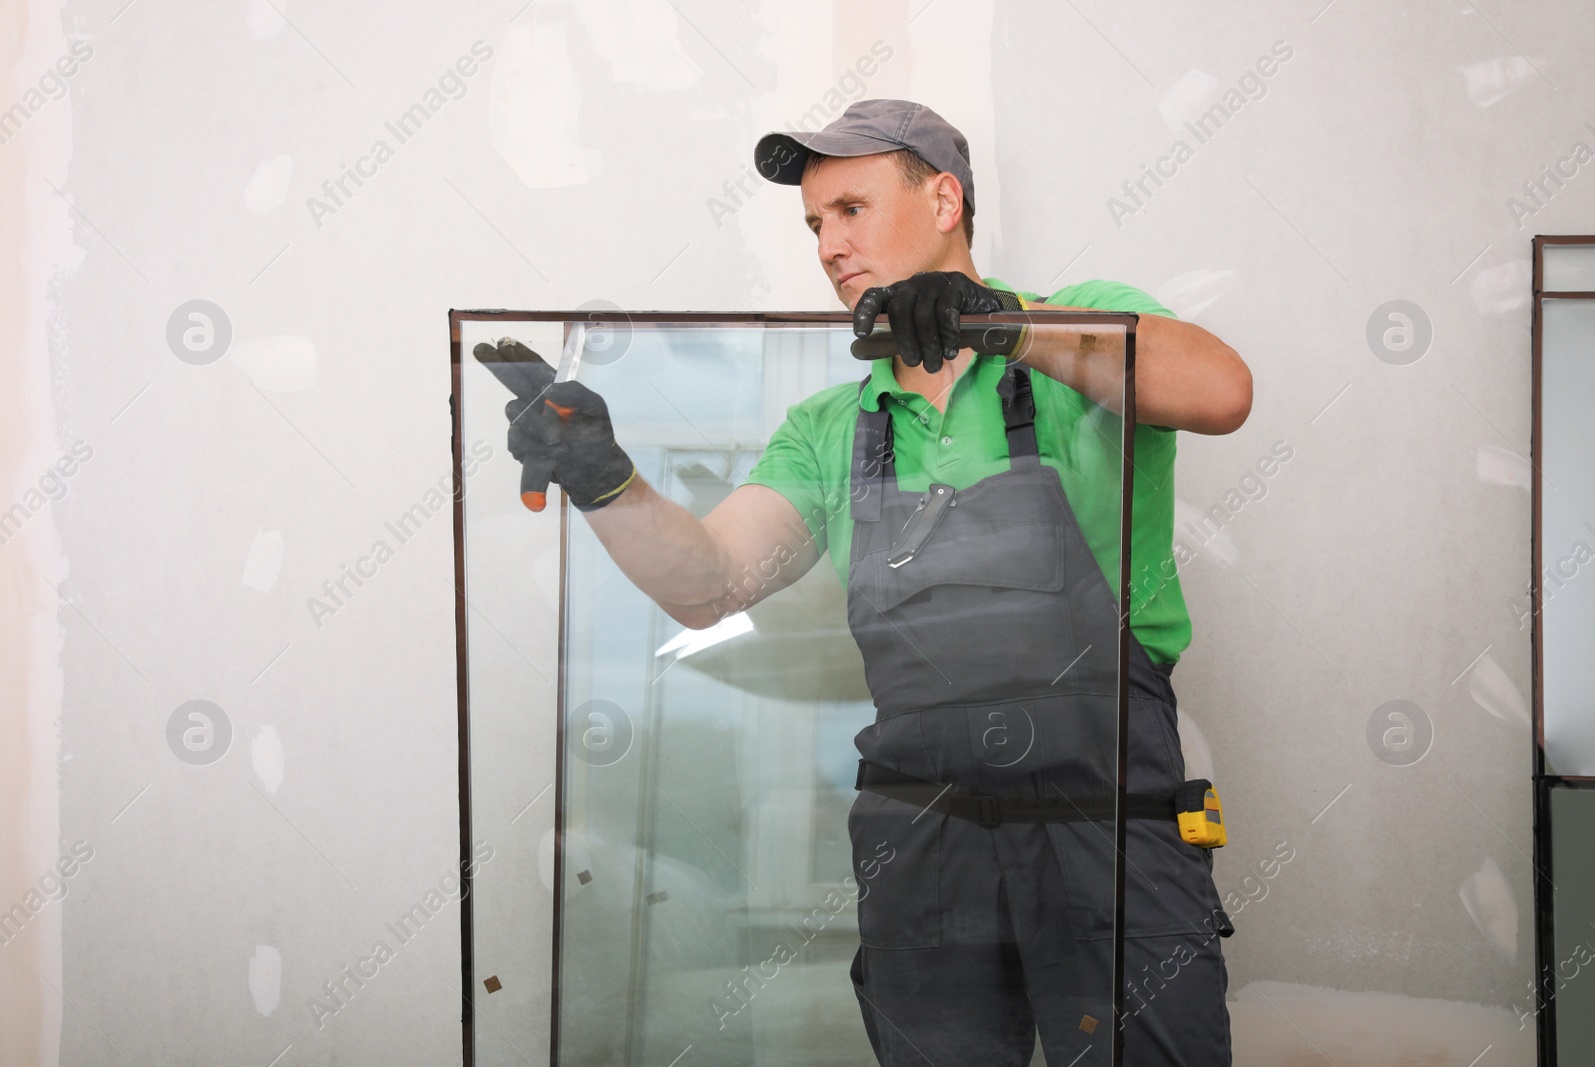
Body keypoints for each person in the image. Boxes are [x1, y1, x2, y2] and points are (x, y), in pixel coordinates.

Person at [489, 98, 1251, 1066]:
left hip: (1105, 835)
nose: (828, 244)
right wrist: (605, 479)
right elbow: (708, 582)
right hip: (925, 850)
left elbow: (1220, 389)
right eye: (814, 224)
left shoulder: (1079, 335)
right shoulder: (830, 427)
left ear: (943, 199)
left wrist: (1003, 326)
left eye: (849, 208)